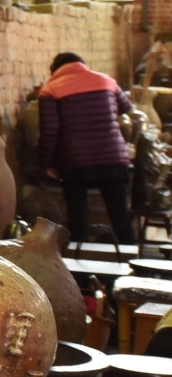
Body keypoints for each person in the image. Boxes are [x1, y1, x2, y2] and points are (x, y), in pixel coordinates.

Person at [40, 51, 136, 246]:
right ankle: (130, 258)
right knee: (120, 216)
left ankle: (79, 258)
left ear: (54, 70)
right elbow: (126, 107)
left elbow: (50, 130)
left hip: (75, 161)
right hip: (113, 158)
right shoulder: (106, 81)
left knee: (77, 217)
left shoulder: (51, 89)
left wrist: (47, 163)